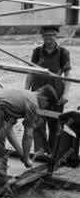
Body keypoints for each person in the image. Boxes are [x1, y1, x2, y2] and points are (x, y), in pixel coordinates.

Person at [0, 86, 57, 168]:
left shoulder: (22, 94)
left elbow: (8, 131)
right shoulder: (33, 103)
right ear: (45, 99)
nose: (43, 108)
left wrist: (23, 155)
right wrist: (27, 159)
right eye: (47, 106)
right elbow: (28, 135)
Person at [25, 25, 72, 156]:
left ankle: (54, 155)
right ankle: (40, 155)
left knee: (55, 126)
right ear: (42, 37)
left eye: (51, 36)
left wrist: (66, 93)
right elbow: (31, 72)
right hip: (38, 94)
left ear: (56, 37)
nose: (49, 39)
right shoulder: (37, 52)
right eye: (46, 36)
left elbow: (68, 75)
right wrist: (26, 91)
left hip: (56, 95)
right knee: (37, 125)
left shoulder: (63, 52)